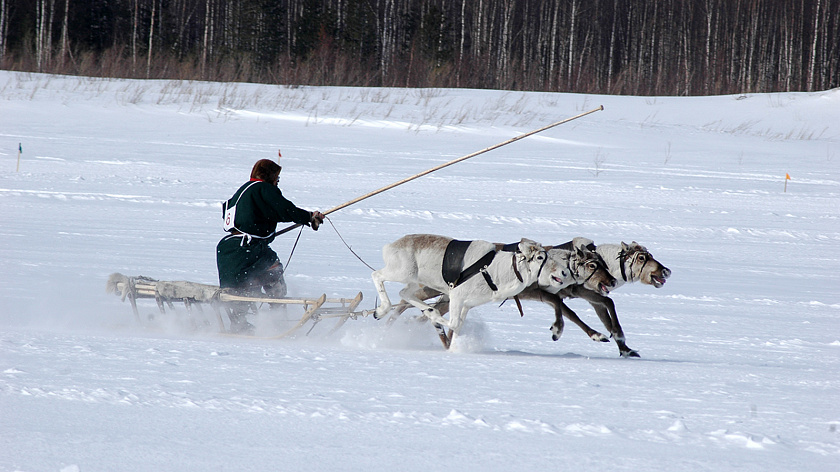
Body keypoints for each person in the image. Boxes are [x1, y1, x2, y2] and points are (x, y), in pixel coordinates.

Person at [216, 159, 325, 333]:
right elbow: (284, 209)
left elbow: (247, 217)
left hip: (227, 250)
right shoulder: (263, 189)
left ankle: (239, 322)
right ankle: (277, 319)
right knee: (273, 270)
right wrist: (309, 217)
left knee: (241, 287)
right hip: (248, 248)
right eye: (277, 178)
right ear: (269, 176)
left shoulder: (243, 190)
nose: (277, 182)